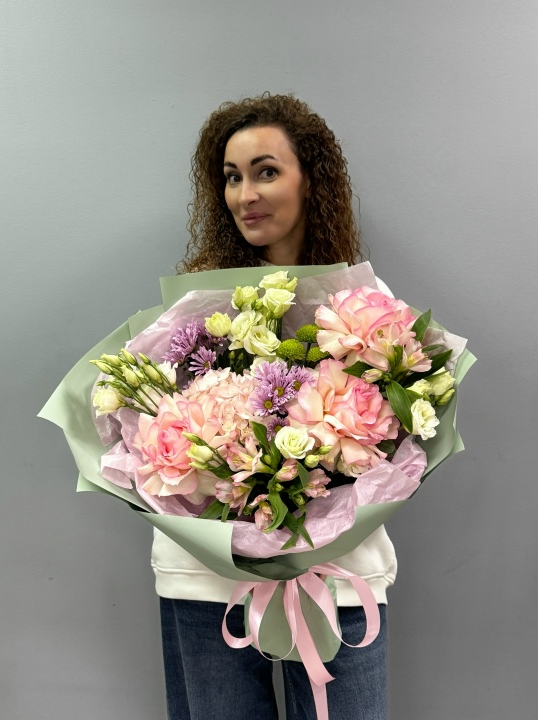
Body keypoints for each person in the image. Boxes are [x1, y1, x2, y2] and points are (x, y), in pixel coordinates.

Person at [157, 94, 394, 720]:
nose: (245, 195)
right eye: (232, 177)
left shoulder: (367, 308)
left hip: (338, 575)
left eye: (266, 171)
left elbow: (400, 441)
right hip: (210, 577)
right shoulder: (195, 312)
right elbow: (156, 437)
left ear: (309, 180)